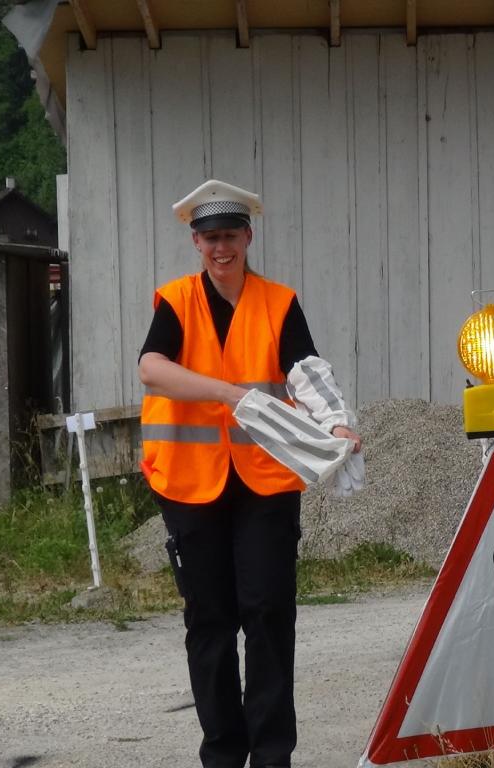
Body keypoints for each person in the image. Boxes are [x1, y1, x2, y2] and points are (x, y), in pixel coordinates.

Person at [138, 179, 361, 768]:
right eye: (210, 238)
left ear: (248, 237)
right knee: (209, 620)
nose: (221, 248)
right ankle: (222, 752)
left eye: (230, 236)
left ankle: (270, 755)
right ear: (196, 241)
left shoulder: (279, 302)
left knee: (267, 612)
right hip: (191, 483)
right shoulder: (176, 301)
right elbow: (152, 369)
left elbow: (306, 372)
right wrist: (231, 394)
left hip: (264, 481)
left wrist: (337, 421)